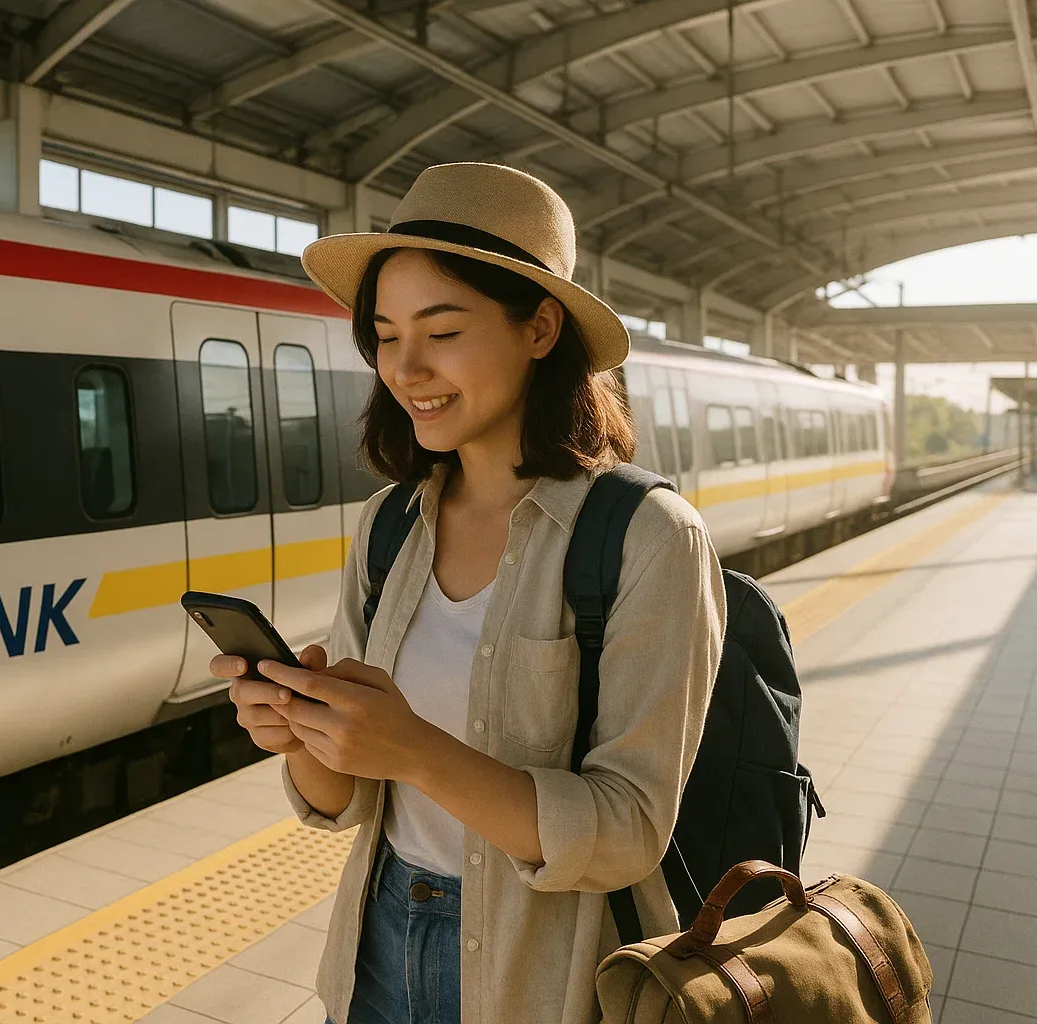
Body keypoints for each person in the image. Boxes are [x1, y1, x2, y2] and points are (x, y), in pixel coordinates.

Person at [211, 162, 725, 1024]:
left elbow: (630, 830)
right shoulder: (388, 527)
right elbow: (343, 798)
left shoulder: (646, 536)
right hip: (377, 946)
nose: (404, 367)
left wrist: (413, 748)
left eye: (441, 331)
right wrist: (300, 732)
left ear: (540, 329)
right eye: (383, 334)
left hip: (549, 977)